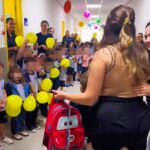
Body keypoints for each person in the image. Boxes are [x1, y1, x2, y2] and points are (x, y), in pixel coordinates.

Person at [53, 5, 150, 150]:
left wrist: (64, 95)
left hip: (110, 120)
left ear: (109, 26)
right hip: (139, 118)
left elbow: (90, 98)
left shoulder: (104, 54)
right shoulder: (141, 53)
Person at [6, 65, 29, 140]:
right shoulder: (9, 84)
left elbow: (26, 92)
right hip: (15, 104)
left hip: (23, 102)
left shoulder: (23, 83)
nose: (16, 75)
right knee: (15, 118)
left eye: (18, 73)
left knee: (22, 116)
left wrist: (29, 95)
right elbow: (8, 96)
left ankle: (21, 129)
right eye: (14, 73)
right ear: (11, 74)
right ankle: (15, 132)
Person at [24, 57, 41, 131]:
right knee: (29, 112)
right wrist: (35, 94)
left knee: (35, 111)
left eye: (33, 64)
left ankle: (34, 124)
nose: (32, 66)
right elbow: (31, 85)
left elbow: (40, 82)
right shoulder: (25, 75)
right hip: (30, 95)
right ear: (26, 65)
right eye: (30, 64)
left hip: (36, 94)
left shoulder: (36, 73)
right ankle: (30, 126)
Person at [0, 63, 14, 144]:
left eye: (1, 69)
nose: (1, 71)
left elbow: (3, 90)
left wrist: (5, 98)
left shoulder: (2, 81)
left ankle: (3, 136)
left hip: (2, 106)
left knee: (2, 121)